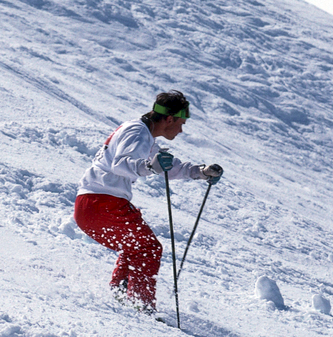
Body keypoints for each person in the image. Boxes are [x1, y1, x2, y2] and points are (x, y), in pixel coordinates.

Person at [74, 91, 224, 313]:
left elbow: (165, 165)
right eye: (181, 123)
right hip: (103, 202)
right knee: (148, 248)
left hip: (93, 204)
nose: (181, 130)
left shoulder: (144, 135)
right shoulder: (137, 132)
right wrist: (149, 167)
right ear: (169, 119)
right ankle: (140, 306)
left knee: (136, 246)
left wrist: (199, 171)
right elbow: (122, 163)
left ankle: (124, 295)